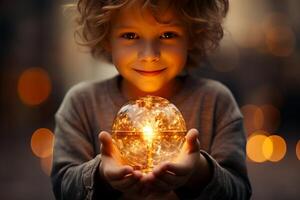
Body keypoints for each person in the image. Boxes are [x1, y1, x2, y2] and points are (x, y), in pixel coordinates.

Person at [51, 0, 252, 199]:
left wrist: (199, 172)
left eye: (167, 34)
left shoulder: (215, 102)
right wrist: (101, 175)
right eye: (130, 35)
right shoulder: (82, 104)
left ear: (192, 36)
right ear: (106, 38)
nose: (149, 55)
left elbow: (239, 191)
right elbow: (63, 186)